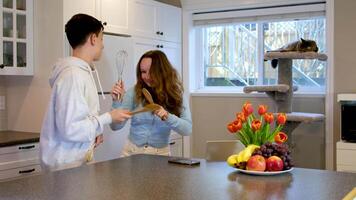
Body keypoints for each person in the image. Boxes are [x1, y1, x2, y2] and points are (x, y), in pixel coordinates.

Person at [40, 14, 131, 171]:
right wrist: (109, 117)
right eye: (102, 39)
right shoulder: (72, 76)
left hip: (76, 163)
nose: (103, 45)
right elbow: (70, 129)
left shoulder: (81, 72)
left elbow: (79, 117)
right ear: (93, 39)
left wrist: (94, 132)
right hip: (65, 167)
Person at [111, 50, 192, 156]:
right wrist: (116, 102)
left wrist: (167, 116)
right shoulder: (134, 92)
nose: (147, 77)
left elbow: (187, 130)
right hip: (131, 153)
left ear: (163, 71)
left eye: (152, 72)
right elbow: (115, 127)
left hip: (160, 155)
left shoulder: (176, 94)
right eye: (143, 72)